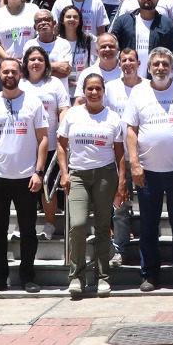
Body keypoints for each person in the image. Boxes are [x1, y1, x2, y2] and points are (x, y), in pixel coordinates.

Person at [124, 48, 173, 292]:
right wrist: (134, 163)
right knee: (148, 225)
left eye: (165, 64)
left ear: (172, 67)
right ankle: (150, 274)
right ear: (148, 67)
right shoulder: (138, 91)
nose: (160, 68)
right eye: (156, 64)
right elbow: (131, 130)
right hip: (147, 172)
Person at [0, 57, 51, 295]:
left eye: (14, 72)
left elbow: (43, 139)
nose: (10, 75)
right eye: (5, 72)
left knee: (28, 230)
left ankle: (27, 277)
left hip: (26, 177)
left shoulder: (33, 102)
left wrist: (39, 172)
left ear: (21, 75)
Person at [57, 72, 126, 297]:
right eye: (90, 89)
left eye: (98, 89)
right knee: (77, 224)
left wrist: (122, 181)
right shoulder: (73, 114)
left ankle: (103, 277)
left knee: (103, 226)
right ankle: (77, 276)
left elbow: (120, 153)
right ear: (84, 91)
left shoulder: (113, 117)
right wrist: (64, 173)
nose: (94, 93)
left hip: (105, 175)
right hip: (78, 175)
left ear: (103, 91)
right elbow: (61, 145)